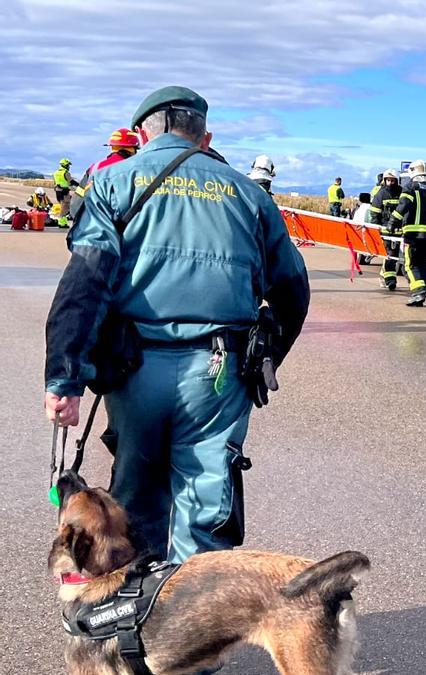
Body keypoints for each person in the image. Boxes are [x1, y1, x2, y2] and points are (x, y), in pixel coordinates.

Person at [43, 85, 310, 563]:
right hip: (220, 373)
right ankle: (193, 624)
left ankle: (131, 624)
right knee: (206, 506)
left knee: (132, 502)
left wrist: (65, 377)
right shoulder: (250, 195)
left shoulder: (112, 183)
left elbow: (85, 285)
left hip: (135, 368)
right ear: (204, 137)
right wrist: (264, 360)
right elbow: (292, 291)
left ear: (144, 135)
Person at [392, 161, 426, 307]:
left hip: (413, 235)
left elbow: (403, 206)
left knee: (411, 265)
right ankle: (421, 291)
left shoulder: (411, 187)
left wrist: (392, 222)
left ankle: (418, 292)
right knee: (423, 265)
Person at [370, 169, 404, 291]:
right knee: (390, 255)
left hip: (398, 231)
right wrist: (375, 229)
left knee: (392, 256)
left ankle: (385, 277)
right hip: (385, 231)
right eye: (388, 180)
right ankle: (390, 281)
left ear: (397, 180)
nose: (390, 182)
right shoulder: (381, 194)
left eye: (392, 180)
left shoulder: (402, 193)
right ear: (384, 180)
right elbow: (374, 214)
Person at [53, 158, 77, 227]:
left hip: (58, 192)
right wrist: (79, 185)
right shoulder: (66, 173)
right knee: (65, 208)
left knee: (63, 207)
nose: (69, 167)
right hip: (64, 192)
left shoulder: (55, 173)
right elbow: (71, 182)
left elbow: (55, 183)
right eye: (68, 165)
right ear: (65, 165)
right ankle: (62, 223)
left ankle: (63, 222)